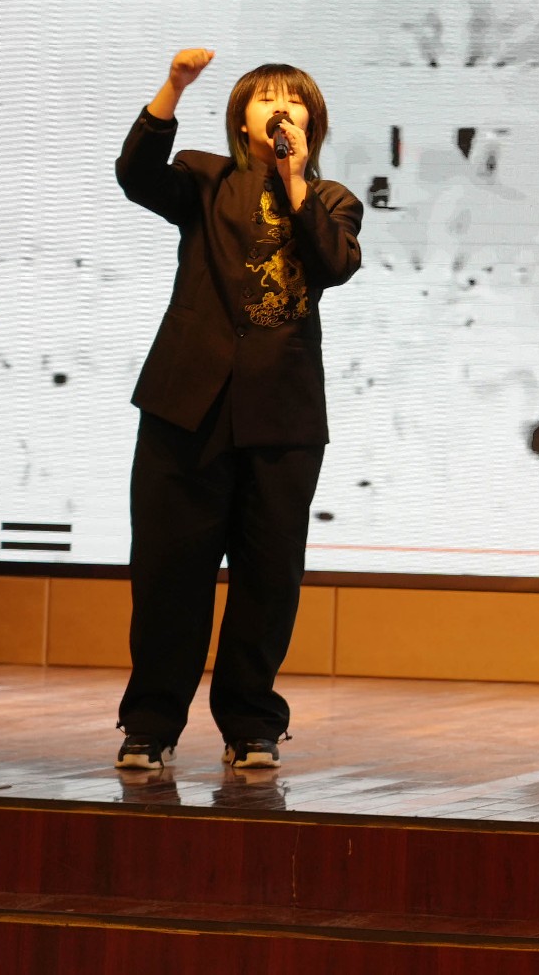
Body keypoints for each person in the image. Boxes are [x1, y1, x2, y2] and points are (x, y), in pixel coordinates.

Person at [112, 49, 363, 771]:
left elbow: (334, 264)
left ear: (312, 122)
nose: (280, 108)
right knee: (169, 573)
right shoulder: (205, 179)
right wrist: (173, 88)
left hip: (282, 415)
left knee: (268, 576)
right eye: (265, 99)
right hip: (186, 405)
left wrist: (295, 180)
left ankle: (251, 723)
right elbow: (136, 176)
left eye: (294, 100)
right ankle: (150, 724)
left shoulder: (333, 200)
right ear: (241, 119)